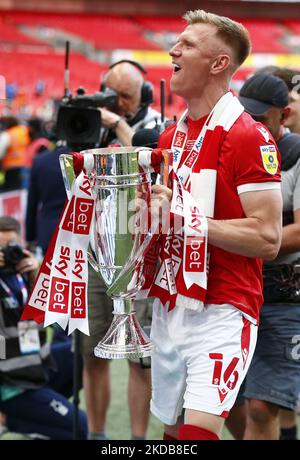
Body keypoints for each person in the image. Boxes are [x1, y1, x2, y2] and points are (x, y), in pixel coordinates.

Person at [149, 10, 282, 441]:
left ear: (218, 63)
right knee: (171, 435)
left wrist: (187, 220)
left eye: (187, 44)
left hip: (224, 306)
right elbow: (166, 222)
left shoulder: (248, 135)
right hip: (171, 303)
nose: (173, 50)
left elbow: (267, 237)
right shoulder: (172, 137)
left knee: (196, 434)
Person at [82, 60, 161, 441]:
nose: (117, 104)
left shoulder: (154, 125)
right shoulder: (89, 124)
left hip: (137, 254)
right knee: (91, 350)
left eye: (125, 97)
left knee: (139, 358)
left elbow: (150, 169)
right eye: (111, 96)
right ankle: (96, 434)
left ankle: (138, 439)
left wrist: (117, 125)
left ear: (144, 95)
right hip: (96, 252)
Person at [225, 72, 300, 441]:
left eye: (261, 119)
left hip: (283, 294)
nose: (252, 126)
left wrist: (250, 240)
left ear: (283, 115)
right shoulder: (233, 148)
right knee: (225, 400)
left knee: (262, 403)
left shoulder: (297, 154)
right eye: (246, 117)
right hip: (234, 289)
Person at [0, 216, 87, 439]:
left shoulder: (21, 275)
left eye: (11, 247)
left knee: (82, 351)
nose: (6, 254)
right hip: (13, 383)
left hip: (36, 365)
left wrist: (34, 276)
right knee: (80, 427)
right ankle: (12, 418)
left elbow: (46, 318)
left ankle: (39, 413)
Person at [0, 116, 31, 191]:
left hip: (11, 168)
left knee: (12, 192)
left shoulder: (7, 134)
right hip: (27, 165)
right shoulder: (25, 130)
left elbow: (0, 152)